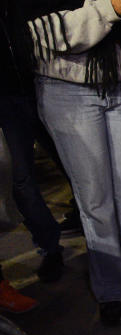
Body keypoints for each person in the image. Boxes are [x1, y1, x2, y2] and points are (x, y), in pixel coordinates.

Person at [29, 0, 121, 327]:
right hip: (67, 88)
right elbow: (46, 33)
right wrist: (112, 8)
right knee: (96, 199)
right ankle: (111, 291)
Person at [0, 0, 65, 283]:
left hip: (46, 84)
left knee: (77, 167)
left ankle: (103, 239)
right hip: (7, 101)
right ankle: (50, 247)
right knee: (22, 181)